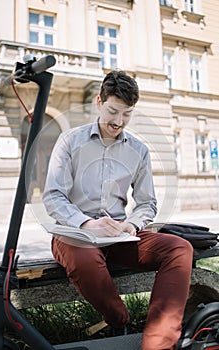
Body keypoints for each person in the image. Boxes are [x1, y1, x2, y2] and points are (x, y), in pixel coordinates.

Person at [43, 70, 193, 350]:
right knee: (85, 261)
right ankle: (119, 318)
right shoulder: (70, 141)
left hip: (120, 234)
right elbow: (53, 197)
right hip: (74, 234)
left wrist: (131, 225)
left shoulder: (139, 150)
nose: (118, 121)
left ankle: (158, 343)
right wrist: (87, 224)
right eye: (113, 111)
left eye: (127, 114)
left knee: (179, 249)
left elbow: (147, 203)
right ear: (99, 102)